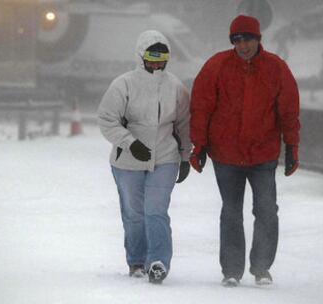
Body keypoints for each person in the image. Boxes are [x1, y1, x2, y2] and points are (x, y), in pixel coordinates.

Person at [189, 15, 300, 287]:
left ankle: (261, 267)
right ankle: (232, 270)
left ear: (258, 39)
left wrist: (293, 147)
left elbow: (289, 111)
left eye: (248, 39)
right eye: (237, 40)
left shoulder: (276, 68)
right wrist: (199, 145)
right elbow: (201, 107)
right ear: (232, 42)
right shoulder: (216, 66)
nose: (243, 45)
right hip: (226, 155)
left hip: (262, 154)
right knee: (231, 211)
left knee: (266, 210)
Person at [97, 30, 191, 284]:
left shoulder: (176, 88)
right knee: (134, 212)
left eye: (162, 57)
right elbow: (107, 120)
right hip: (128, 161)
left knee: (156, 210)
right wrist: (130, 143)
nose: (157, 62)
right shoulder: (123, 85)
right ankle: (137, 260)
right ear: (140, 55)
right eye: (152, 56)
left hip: (165, 157)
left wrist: (184, 157)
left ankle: (158, 261)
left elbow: (184, 125)